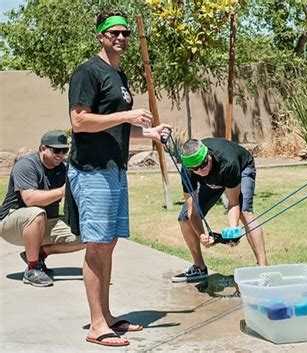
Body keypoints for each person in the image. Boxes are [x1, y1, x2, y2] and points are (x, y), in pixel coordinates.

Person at [67, 10, 171, 347]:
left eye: (125, 32)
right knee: (97, 246)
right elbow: (80, 122)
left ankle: (107, 317)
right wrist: (127, 113)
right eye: (113, 32)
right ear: (100, 36)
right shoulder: (88, 72)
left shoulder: (119, 75)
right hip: (92, 171)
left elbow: (117, 127)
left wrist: (149, 132)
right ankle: (96, 326)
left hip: (114, 169)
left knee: (108, 244)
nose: (121, 37)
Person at [171, 138, 268, 283]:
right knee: (184, 218)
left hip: (241, 168)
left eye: (203, 164)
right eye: (195, 168)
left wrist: (233, 230)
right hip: (213, 182)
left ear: (207, 155)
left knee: (245, 212)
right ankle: (199, 267)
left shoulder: (227, 161)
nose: (201, 171)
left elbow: (233, 203)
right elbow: (193, 211)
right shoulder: (188, 170)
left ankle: (264, 270)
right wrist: (202, 235)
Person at [0, 130, 86, 287]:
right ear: (42, 149)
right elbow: (30, 199)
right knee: (37, 212)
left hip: (44, 223)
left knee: (88, 234)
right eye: (56, 150)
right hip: (11, 224)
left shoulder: (64, 169)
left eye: (64, 150)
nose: (60, 155)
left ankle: (38, 254)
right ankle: (32, 270)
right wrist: (62, 191)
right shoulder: (26, 165)